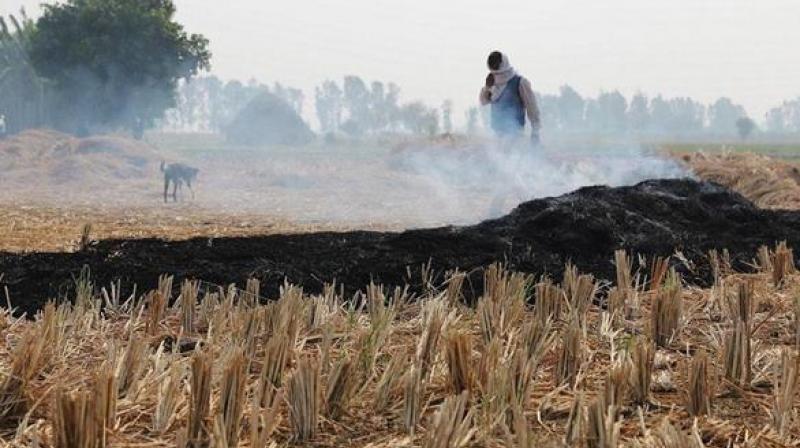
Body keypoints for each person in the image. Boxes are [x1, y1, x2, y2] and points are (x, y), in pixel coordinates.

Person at [479, 51, 541, 145]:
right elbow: (483, 101)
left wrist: (535, 131)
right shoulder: (492, 84)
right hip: (497, 136)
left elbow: (532, 107)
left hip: (515, 136)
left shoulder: (520, 82)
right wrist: (487, 87)